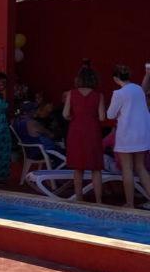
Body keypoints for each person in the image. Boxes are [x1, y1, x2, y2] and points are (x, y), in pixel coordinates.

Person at [106, 64, 150, 209]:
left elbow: (110, 114)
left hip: (127, 134)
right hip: (142, 134)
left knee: (127, 168)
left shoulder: (119, 93)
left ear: (115, 78)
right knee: (141, 167)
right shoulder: (138, 89)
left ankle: (130, 203)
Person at [63, 66, 105, 203]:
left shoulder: (71, 93)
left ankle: (79, 199)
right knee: (96, 168)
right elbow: (102, 117)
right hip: (92, 131)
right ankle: (99, 201)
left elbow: (65, 114)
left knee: (78, 167)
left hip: (76, 130)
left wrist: (74, 117)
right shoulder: (99, 96)